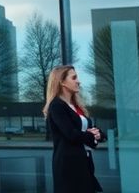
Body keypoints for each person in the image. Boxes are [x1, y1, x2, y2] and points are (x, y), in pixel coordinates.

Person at [43, 65, 103, 193]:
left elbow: (87, 129)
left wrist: (99, 134)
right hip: (68, 165)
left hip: (84, 163)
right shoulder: (56, 106)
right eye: (74, 78)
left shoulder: (76, 106)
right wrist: (91, 136)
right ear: (62, 82)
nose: (78, 81)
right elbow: (71, 134)